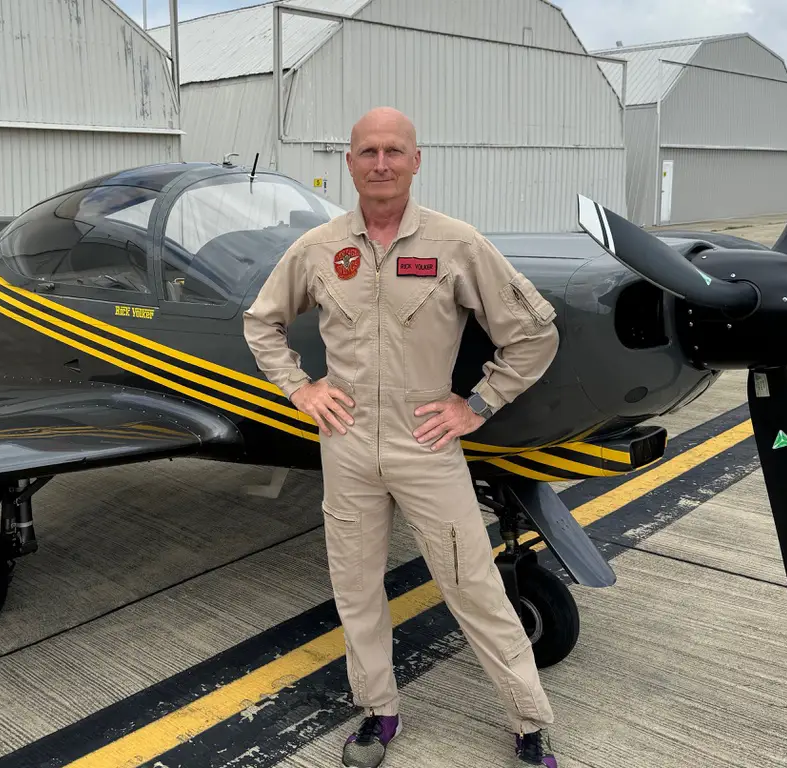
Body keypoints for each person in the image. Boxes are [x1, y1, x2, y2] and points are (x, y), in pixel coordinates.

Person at [242, 107, 561, 768]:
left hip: (427, 444)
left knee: (475, 586)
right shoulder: (321, 247)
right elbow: (261, 323)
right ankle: (377, 714)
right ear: (350, 163)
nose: (381, 163)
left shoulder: (457, 244)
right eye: (368, 152)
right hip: (348, 445)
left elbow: (534, 334)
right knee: (356, 590)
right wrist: (300, 388)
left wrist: (479, 403)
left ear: (417, 161)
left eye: (394, 151)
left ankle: (529, 723)